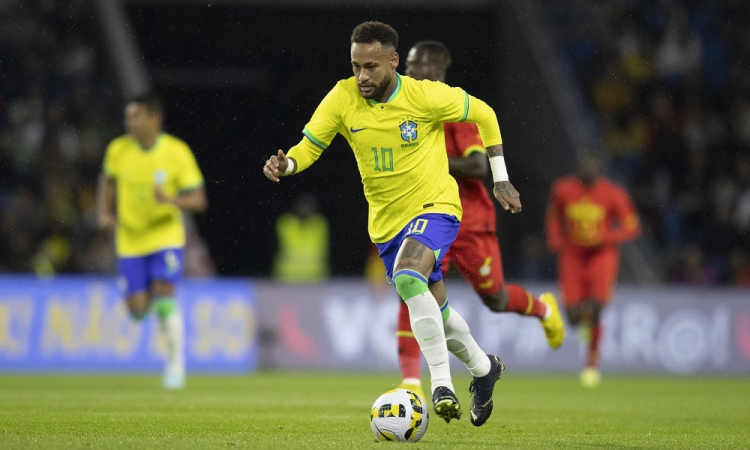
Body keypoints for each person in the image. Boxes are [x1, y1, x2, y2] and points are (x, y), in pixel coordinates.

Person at [264, 21, 519, 427]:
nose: (362, 76)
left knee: (407, 275)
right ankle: (485, 369)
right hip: (386, 225)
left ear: (394, 61)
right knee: (438, 310)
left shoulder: (424, 96)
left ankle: (440, 385)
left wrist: (501, 177)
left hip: (436, 207)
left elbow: (484, 114)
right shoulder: (343, 97)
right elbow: (311, 145)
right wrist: (288, 163)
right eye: (355, 66)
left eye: (371, 66)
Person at [395, 40, 566, 401]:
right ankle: (410, 382)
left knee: (497, 299)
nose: (408, 72)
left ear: (437, 72)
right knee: (410, 284)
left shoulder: (452, 109)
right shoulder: (405, 109)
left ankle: (543, 308)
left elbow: (476, 165)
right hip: (428, 215)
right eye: (407, 65)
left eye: (415, 66)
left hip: (470, 222)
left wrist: (429, 161)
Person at [97, 92, 207, 389]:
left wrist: (171, 199)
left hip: (165, 236)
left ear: (154, 117)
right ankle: (138, 299)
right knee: (138, 310)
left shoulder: (176, 152)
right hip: (130, 239)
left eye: (135, 116)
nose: (128, 122)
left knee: (164, 295)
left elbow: (198, 199)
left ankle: (175, 366)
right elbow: (107, 180)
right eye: (127, 117)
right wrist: (105, 212)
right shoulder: (118, 150)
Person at [546, 151, 640, 387]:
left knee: (597, 305)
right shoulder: (562, 189)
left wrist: (607, 236)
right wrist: (555, 239)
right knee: (574, 316)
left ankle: (591, 363)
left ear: (599, 168)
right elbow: (554, 215)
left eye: (592, 163)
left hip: (602, 255)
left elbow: (632, 226)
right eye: (584, 163)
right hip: (572, 255)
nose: (588, 167)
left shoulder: (613, 193)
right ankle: (576, 321)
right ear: (579, 166)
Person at [273, 193, 330, 283]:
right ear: (296, 208)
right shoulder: (286, 224)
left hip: (315, 276)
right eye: (302, 207)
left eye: (308, 207)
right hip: (288, 276)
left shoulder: (319, 224)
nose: (305, 210)